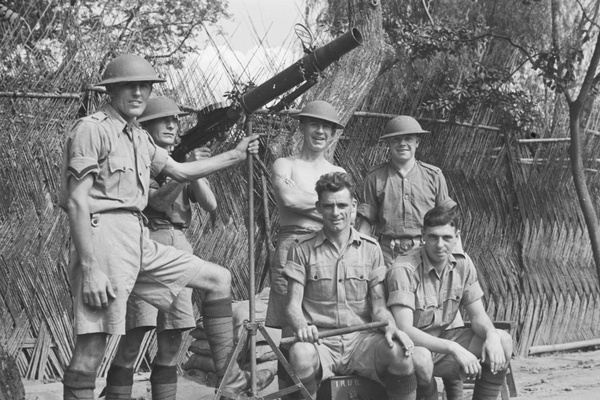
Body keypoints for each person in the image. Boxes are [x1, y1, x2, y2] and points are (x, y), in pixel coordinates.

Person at [58, 54, 272, 400]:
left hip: (138, 237)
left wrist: (235, 154)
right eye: (130, 86)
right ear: (111, 91)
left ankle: (231, 385)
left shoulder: (140, 138)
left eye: (145, 86)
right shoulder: (91, 129)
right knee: (91, 349)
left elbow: (181, 171)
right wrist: (90, 267)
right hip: (103, 240)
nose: (139, 93)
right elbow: (77, 202)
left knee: (218, 279)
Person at [101, 96, 216, 400]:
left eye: (175, 120)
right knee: (136, 333)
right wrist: (181, 173)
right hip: (146, 243)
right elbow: (157, 201)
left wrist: (192, 167)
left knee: (174, 336)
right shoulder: (138, 159)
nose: (171, 124)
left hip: (179, 244)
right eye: (163, 120)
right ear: (144, 125)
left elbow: (210, 204)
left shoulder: (180, 161)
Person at [283, 172, 418, 400]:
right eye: (328, 206)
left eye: (342, 205)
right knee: (299, 353)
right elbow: (292, 306)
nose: (336, 213)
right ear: (318, 207)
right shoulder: (300, 249)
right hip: (321, 343)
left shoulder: (371, 249)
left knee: (399, 353)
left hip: (362, 343)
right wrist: (301, 327)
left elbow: (378, 305)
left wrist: (390, 327)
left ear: (353, 205)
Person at [386, 206, 513, 400]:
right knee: (422, 358)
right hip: (412, 348)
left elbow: (478, 315)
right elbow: (405, 330)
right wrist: (453, 348)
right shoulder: (404, 269)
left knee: (503, 340)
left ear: (457, 236)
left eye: (446, 237)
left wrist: (491, 335)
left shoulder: (462, 263)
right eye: (433, 237)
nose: (439, 244)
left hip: (444, 340)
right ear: (423, 236)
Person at [264, 101, 346, 389]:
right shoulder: (285, 164)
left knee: (324, 322)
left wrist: (310, 203)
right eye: (314, 124)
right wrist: (327, 207)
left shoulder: (338, 171)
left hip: (327, 248)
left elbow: (346, 214)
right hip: (292, 244)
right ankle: (290, 395)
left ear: (333, 133)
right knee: (291, 325)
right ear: (302, 127)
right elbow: (287, 200)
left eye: (327, 127)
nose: (320, 131)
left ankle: (321, 391)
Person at [357, 115, 457, 267]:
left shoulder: (433, 175)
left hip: (426, 251)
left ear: (417, 142)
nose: (402, 144)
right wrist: (360, 258)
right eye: (396, 139)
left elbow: (448, 220)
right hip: (387, 254)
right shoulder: (375, 177)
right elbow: (365, 222)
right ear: (388, 143)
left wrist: (457, 255)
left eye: (408, 139)